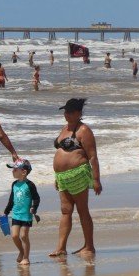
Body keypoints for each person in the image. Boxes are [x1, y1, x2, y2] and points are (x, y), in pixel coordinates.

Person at [49, 98, 102, 257]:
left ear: (79, 113)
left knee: (82, 210)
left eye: (70, 112)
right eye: (65, 111)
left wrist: (96, 179)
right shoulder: (65, 128)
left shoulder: (84, 130)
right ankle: (61, 247)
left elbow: (92, 156)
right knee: (65, 210)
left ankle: (89, 246)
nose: (66, 114)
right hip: (62, 176)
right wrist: (57, 177)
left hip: (78, 173)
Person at [3, 159, 40, 266]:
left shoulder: (30, 185)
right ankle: (21, 251)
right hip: (16, 214)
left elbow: (36, 198)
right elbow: (11, 200)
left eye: (15, 169)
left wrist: (34, 207)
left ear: (23, 172)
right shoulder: (14, 184)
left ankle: (26, 258)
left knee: (24, 236)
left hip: (26, 215)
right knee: (14, 235)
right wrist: (6, 212)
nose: (12, 171)